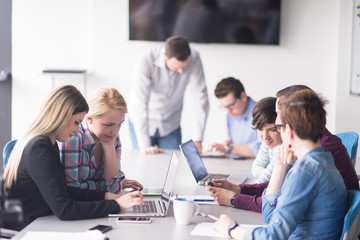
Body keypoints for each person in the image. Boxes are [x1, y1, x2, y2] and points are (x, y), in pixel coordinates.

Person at [4, 85, 144, 230]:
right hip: (24, 228)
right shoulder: (39, 148)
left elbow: (63, 190)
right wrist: (116, 205)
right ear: (61, 116)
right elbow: (65, 209)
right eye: (76, 122)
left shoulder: (47, 143)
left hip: (38, 222)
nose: (78, 129)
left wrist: (107, 196)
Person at [213, 89, 347, 239]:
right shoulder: (322, 161)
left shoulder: (306, 172)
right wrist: (280, 166)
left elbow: (273, 235)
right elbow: (270, 215)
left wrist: (231, 228)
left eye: (276, 127)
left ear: (288, 131)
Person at [130, 36, 209, 154]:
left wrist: (198, 139)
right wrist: (145, 145)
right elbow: (141, 101)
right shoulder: (146, 59)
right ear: (165, 56)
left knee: (172, 164)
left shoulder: (194, 58)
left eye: (184, 67)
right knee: (144, 162)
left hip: (171, 124)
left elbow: (201, 99)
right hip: (144, 121)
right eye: (176, 68)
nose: (181, 72)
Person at [59, 87, 143, 194]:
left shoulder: (113, 138)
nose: (115, 131)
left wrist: (108, 147)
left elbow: (113, 189)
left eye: (119, 124)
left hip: (99, 203)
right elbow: (73, 189)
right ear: (89, 119)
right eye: (108, 125)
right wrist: (103, 186)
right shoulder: (73, 138)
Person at [205, 77, 261, 158]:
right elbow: (232, 145)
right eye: (225, 107)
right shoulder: (230, 116)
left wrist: (228, 148)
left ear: (243, 96)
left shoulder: (261, 113)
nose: (228, 111)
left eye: (231, 105)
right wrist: (225, 147)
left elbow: (263, 149)